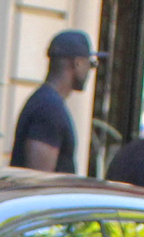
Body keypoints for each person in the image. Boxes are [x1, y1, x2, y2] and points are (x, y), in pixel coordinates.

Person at [11, 29, 100, 173]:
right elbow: (39, 180)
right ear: (77, 63)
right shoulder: (49, 110)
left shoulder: (46, 103)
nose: (90, 71)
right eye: (90, 64)